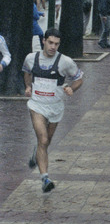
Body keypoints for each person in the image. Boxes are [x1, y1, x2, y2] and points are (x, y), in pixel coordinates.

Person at [23, 28, 83, 192]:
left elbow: (79, 78)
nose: (53, 47)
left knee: (46, 141)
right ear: (43, 41)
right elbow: (26, 72)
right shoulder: (31, 58)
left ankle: (36, 153)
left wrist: (71, 88)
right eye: (50, 43)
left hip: (55, 107)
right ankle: (45, 179)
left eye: (56, 44)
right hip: (37, 105)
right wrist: (28, 86)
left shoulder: (65, 62)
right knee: (43, 139)